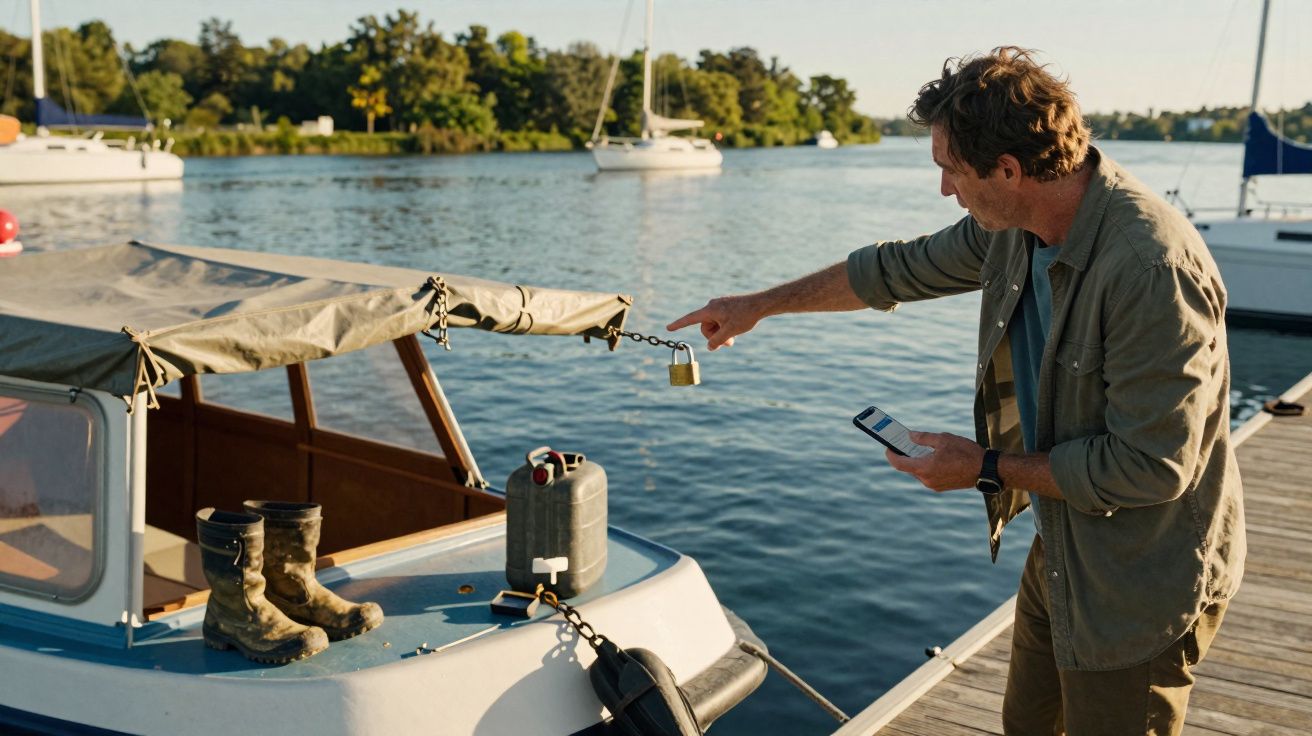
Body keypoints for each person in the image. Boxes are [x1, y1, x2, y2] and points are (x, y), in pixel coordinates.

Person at [668, 47, 1244, 735]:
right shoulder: (1014, 230)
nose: (945, 188)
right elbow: (894, 270)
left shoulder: (1151, 269)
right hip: (1063, 547)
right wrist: (759, 304)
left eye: (951, 169)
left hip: (1141, 578)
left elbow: (1152, 467)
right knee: (1027, 725)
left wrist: (987, 468)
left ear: (1008, 170)